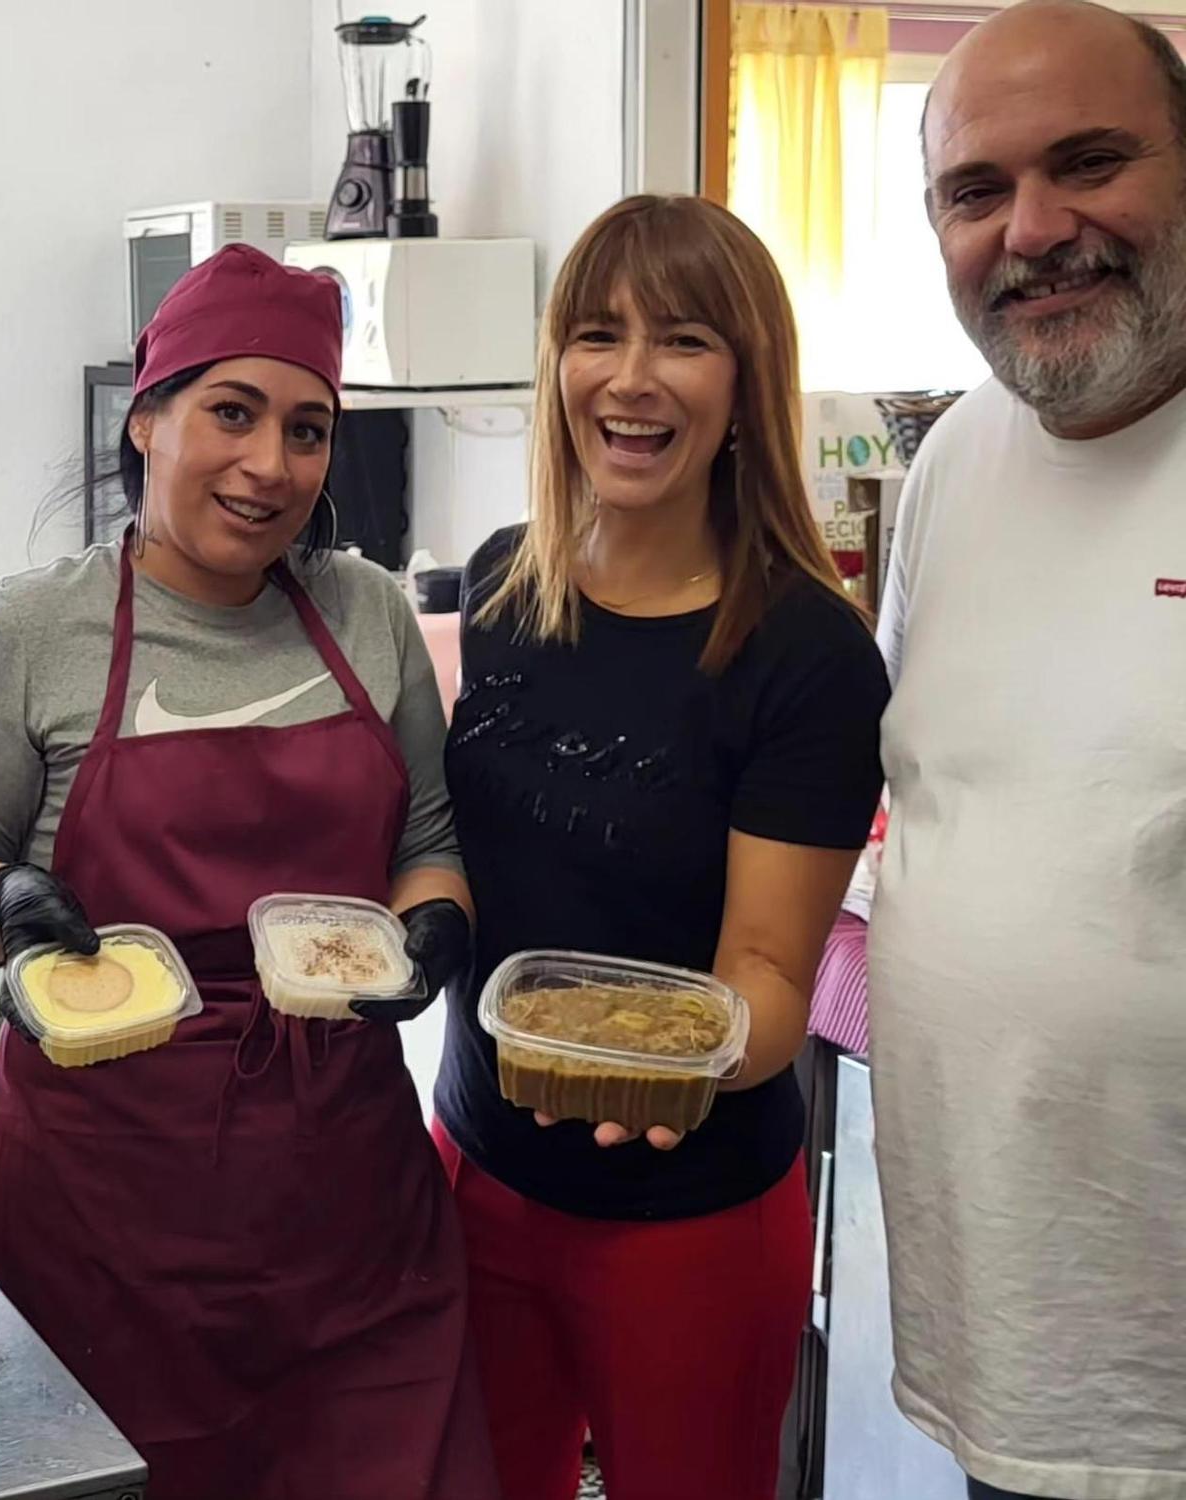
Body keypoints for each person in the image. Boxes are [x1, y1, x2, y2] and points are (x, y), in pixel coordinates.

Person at [0, 245, 498, 1500]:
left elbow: (427, 842)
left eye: (309, 429)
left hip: (349, 1205)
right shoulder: (33, 631)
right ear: (146, 420)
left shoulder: (368, 610)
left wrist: (435, 932)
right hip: (100, 1211)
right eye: (232, 412)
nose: (272, 465)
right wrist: (6, 898)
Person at [433, 194, 889, 1500]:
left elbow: (768, 980)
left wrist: (654, 1069)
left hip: (685, 1218)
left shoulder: (804, 654)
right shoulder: (507, 582)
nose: (629, 379)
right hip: (474, 1168)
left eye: (682, 339)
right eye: (596, 334)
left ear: (746, 387)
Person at [869, 4, 1186, 1498]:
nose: (1035, 230)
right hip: (1021, 1331)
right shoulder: (958, 457)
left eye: (1093, 162)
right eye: (974, 191)